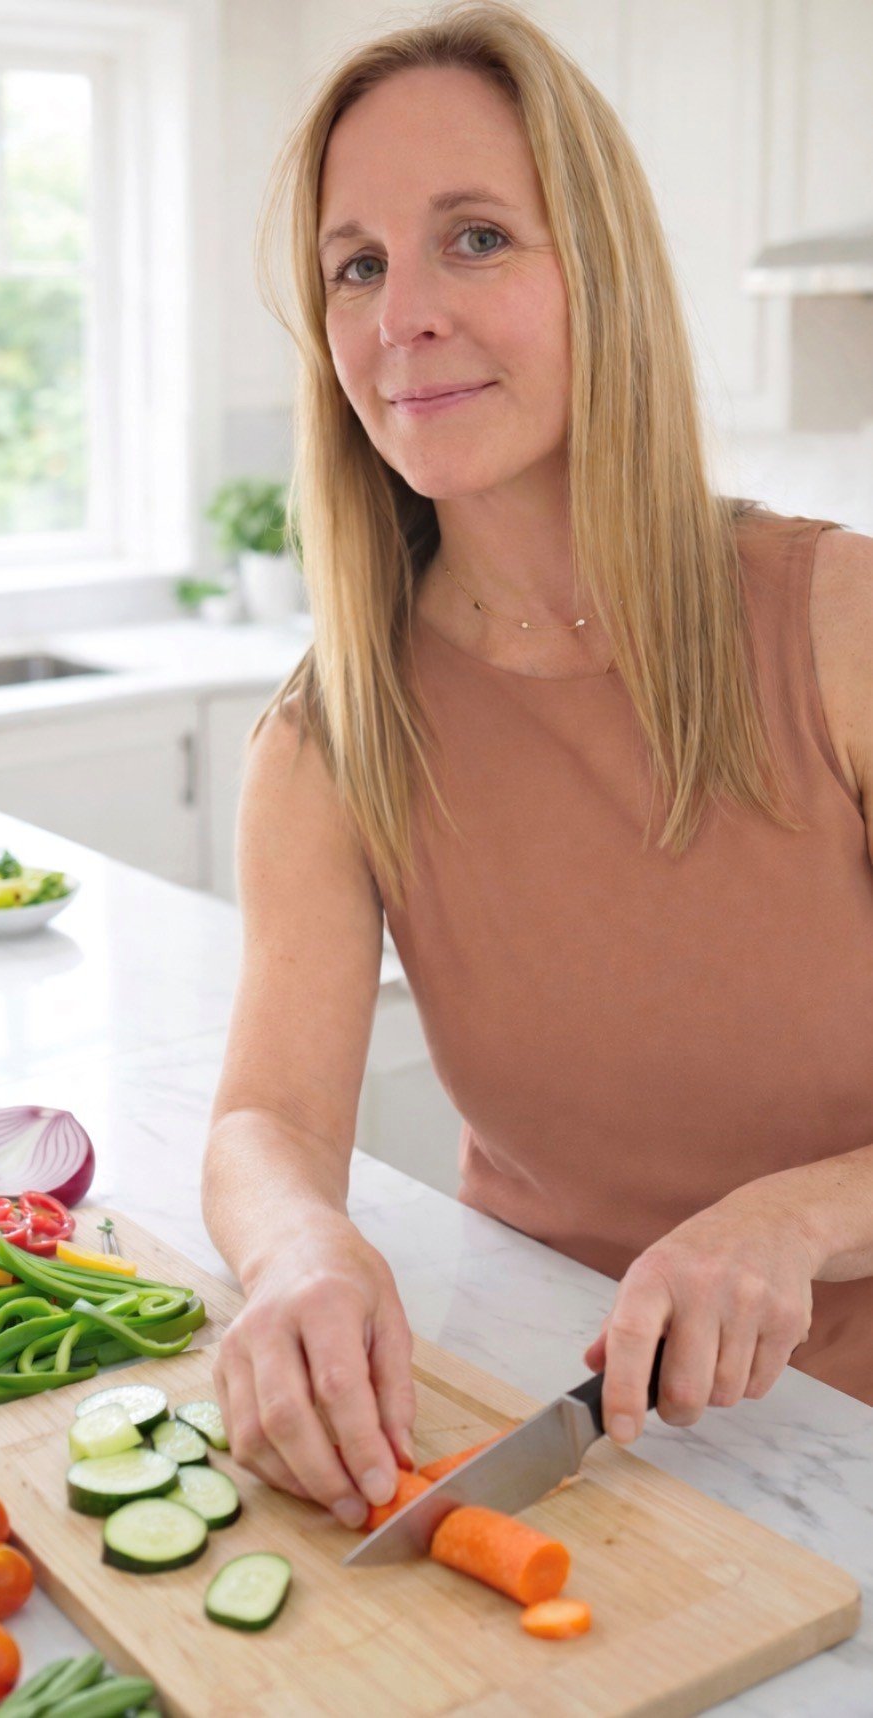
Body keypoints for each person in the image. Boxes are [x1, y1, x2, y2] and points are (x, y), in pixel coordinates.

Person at [201, 0, 873, 1532]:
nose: (400, 315)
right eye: (355, 264)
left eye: (477, 238)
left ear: (601, 272)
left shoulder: (838, 624)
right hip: (574, 1437)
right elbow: (263, 1125)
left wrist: (793, 1217)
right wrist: (300, 1246)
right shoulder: (332, 730)